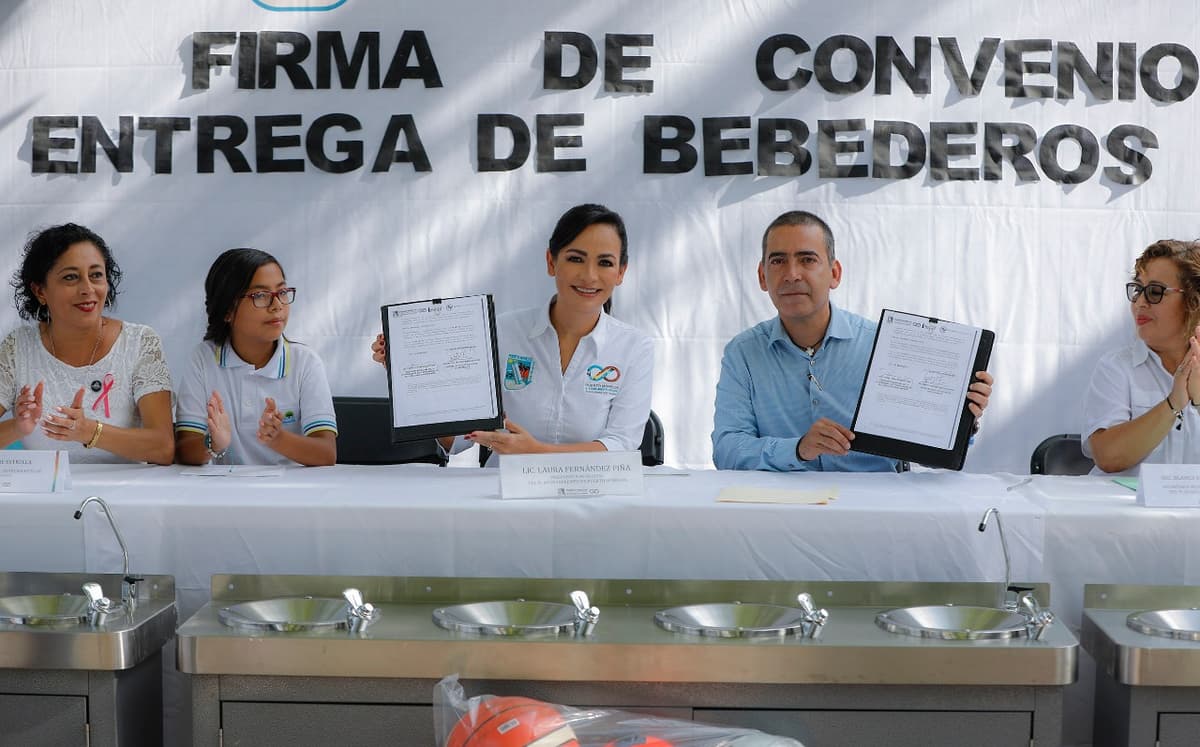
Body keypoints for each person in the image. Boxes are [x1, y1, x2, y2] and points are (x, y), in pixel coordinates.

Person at [372, 203, 654, 464]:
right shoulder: (501, 333)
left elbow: (621, 445)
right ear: (551, 262)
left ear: (621, 272)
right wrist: (405, 375)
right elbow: (457, 439)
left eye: (605, 262)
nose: (590, 275)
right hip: (502, 499)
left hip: (593, 499)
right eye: (576, 259)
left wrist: (536, 452)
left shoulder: (634, 347)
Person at [712, 210, 992, 471]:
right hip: (781, 511)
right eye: (778, 261)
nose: (792, 274)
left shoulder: (883, 345)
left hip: (874, 509)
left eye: (807, 260)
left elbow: (929, 451)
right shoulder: (743, 353)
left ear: (834, 274)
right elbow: (726, 451)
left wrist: (962, 419)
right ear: (762, 277)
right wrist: (796, 450)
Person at [0, 223, 174, 463]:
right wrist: (18, 427)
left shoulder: (140, 342)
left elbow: (163, 447)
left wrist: (90, 431)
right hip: (45, 498)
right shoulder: (17, 347)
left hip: (125, 497)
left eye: (96, 275)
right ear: (40, 290)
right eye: (70, 277)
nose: (88, 289)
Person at [175, 248, 337, 466]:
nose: (277, 305)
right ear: (227, 310)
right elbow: (184, 450)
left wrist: (279, 439)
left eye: (281, 292)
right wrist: (213, 443)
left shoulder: (305, 362)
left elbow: (326, 453)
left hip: (291, 495)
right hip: (223, 494)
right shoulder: (204, 360)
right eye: (260, 296)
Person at [1083, 239, 1200, 474]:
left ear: (1194, 301)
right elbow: (1107, 456)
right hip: (1120, 510)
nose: (1140, 302)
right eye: (1138, 289)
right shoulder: (1116, 367)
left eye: (1155, 292)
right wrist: (1173, 403)